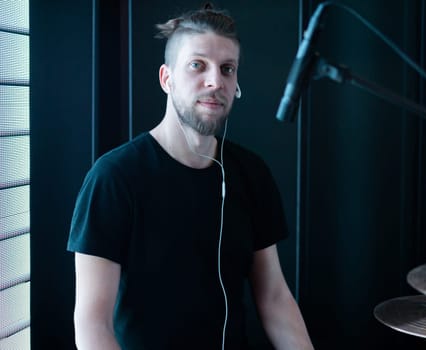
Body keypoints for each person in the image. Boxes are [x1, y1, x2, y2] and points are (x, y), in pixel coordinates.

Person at [67, 3, 314, 349]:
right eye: (198, 65)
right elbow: (92, 323)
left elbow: (274, 297)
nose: (215, 81)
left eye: (227, 69)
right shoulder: (113, 178)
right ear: (166, 78)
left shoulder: (251, 173)